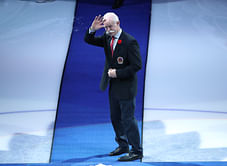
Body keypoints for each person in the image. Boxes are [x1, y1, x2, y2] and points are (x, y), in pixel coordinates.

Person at [84, 12, 143, 161]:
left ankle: (136, 150)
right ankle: (123, 145)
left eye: (110, 26)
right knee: (115, 117)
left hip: (126, 86)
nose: (108, 29)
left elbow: (137, 65)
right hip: (113, 86)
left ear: (118, 23)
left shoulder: (130, 42)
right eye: (106, 27)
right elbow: (88, 40)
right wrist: (93, 29)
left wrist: (118, 73)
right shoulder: (106, 37)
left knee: (128, 119)